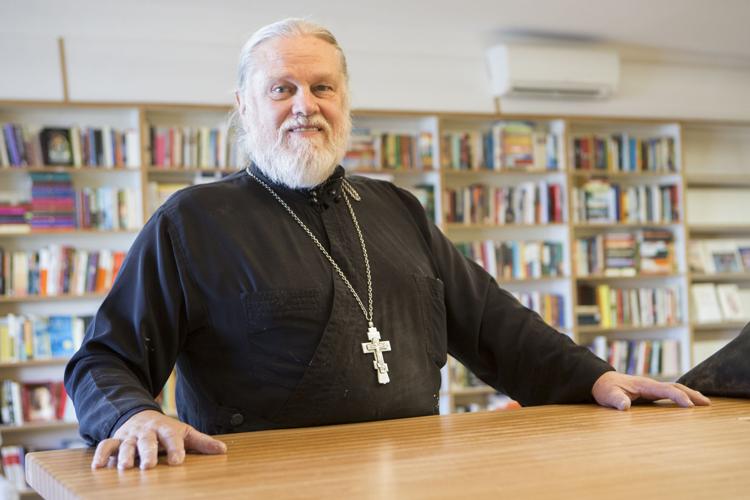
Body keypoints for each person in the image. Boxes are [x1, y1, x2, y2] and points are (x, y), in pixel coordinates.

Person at [64, 18, 710, 471]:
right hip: (262, 485)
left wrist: (593, 377)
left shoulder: (396, 207)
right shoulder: (192, 221)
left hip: (417, 473)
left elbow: (493, 325)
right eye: (281, 88)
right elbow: (104, 359)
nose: (304, 106)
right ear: (243, 106)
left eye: (322, 87)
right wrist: (132, 418)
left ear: (345, 100)